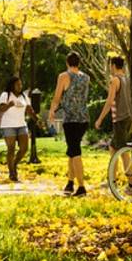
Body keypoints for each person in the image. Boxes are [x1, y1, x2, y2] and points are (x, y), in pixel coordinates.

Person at [48, 52, 90, 197]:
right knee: (72, 151)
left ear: (67, 63)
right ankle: (70, 183)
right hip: (84, 118)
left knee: (75, 152)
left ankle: (81, 187)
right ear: (79, 63)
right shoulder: (86, 77)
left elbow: (57, 97)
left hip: (71, 120)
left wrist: (51, 112)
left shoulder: (64, 76)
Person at [94, 55, 132, 189]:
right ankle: (113, 179)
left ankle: (131, 183)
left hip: (120, 119)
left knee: (122, 151)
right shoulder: (127, 79)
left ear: (113, 65)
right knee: (114, 148)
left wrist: (99, 119)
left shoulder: (115, 80)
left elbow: (110, 101)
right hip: (128, 118)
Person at [0, 76, 33, 182]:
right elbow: (1, 108)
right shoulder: (5, 95)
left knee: (24, 148)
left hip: (21, 125)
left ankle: (14, 164)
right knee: (11, 149)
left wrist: (37, 120)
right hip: (8, 125)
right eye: (17, 84)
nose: (20, 86)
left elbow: (29, 110)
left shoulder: (24, 96)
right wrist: (9, 105)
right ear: (12, 85)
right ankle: (12, 173)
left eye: (21, 84)